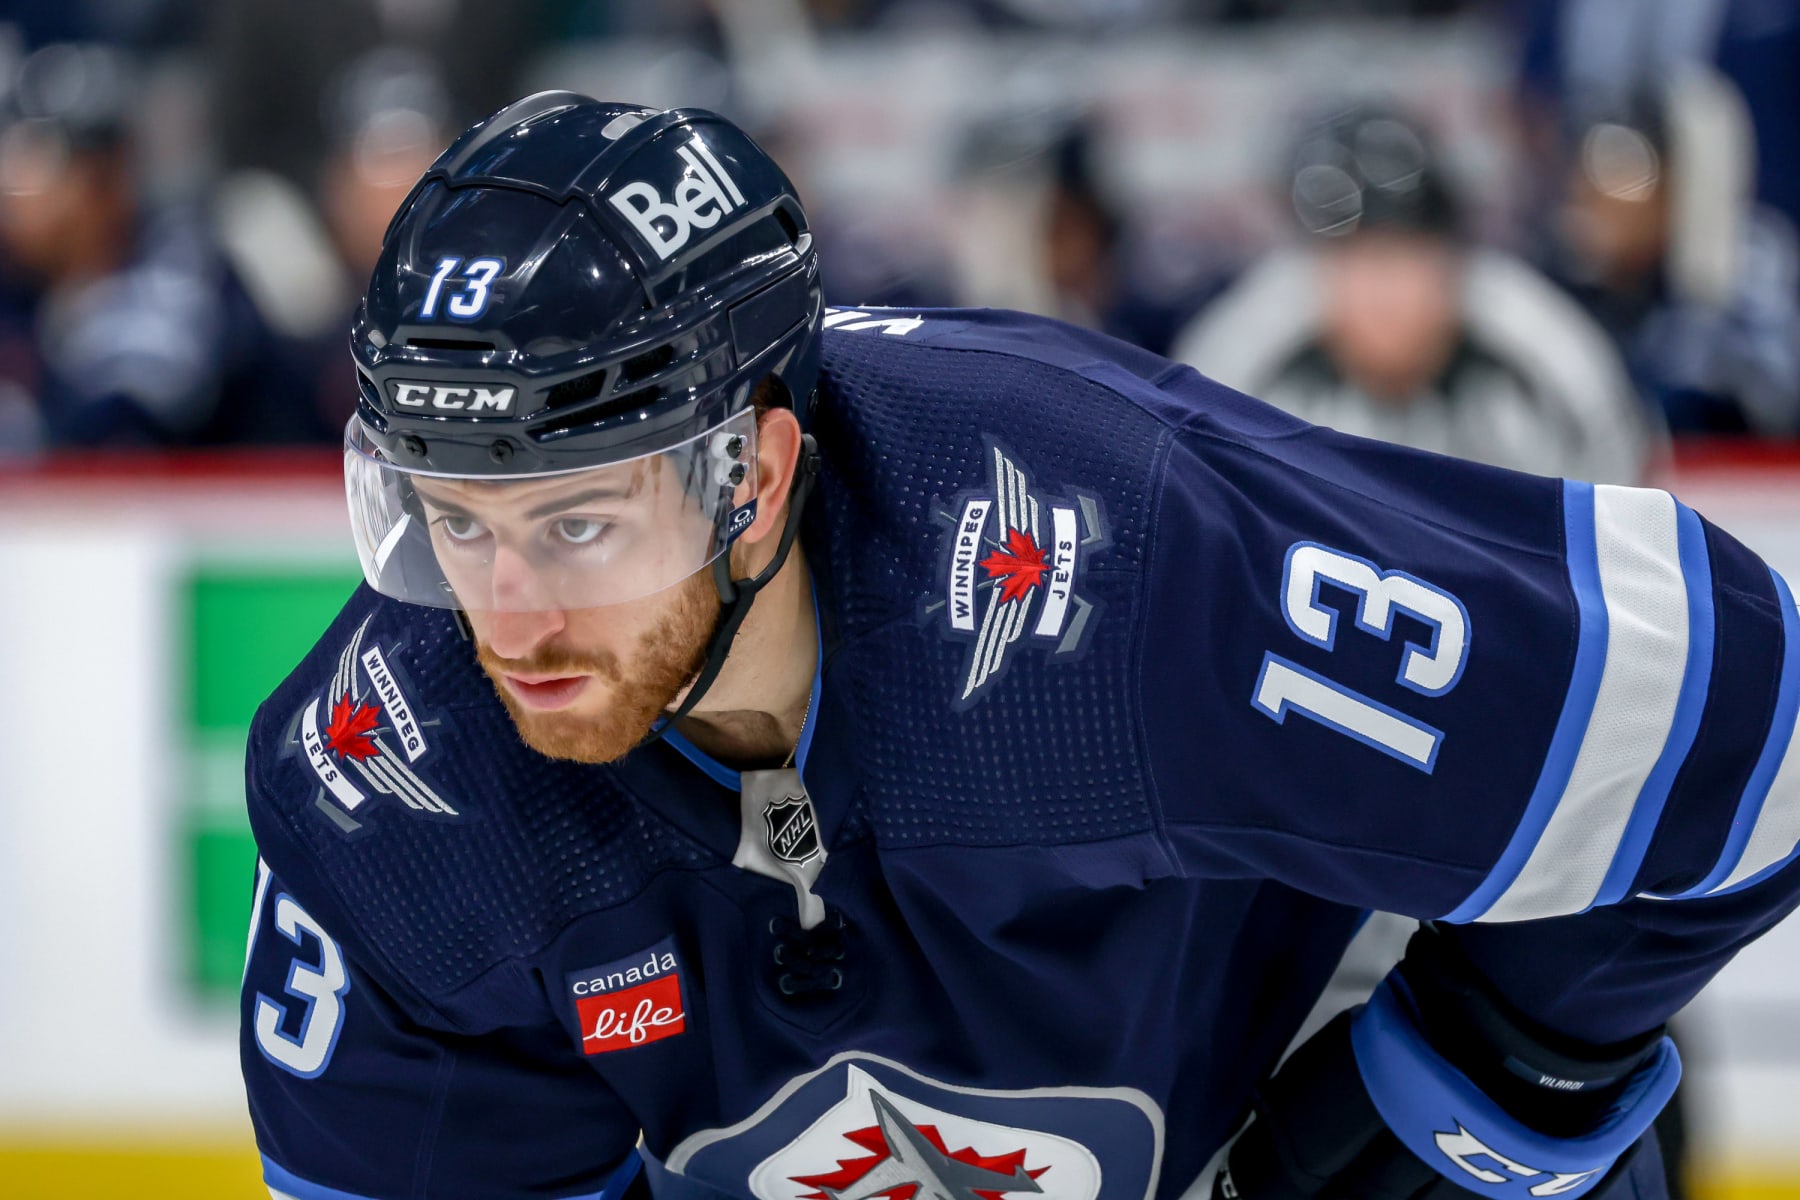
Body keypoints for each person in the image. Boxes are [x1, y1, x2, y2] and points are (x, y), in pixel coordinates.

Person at [240, 95, 1800, 1200]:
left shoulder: (1114, 569)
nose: (505, 621)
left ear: (760, 475)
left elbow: (1737, 710)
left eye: (579, 525)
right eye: (451, 520)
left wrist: (1451, 1098)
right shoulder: (391, 784)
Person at [1171, 105, 1655, 484]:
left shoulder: (1534, 354)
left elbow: (1619, 505)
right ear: (1314, 271)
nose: (1388, 296)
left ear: (1453, 264)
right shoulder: (1251, 362)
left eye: (1409, 258)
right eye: (1360, 260)